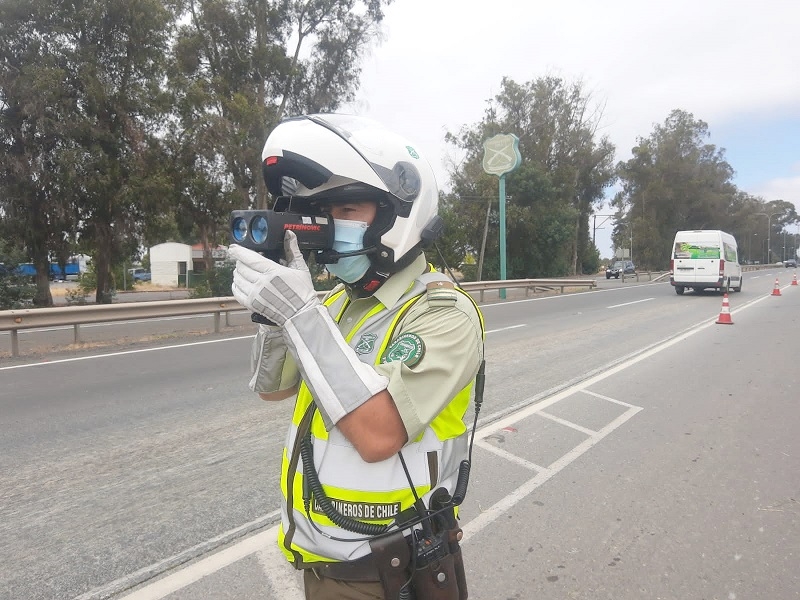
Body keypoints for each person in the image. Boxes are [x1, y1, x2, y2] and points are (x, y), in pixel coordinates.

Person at [229, 114, 485, 600]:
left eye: (347, 208)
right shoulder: (334, 306)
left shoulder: (444, 314)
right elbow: (272, 389)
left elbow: (377, 434)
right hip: (322, 561)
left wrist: (301, 315)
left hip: (391, 571)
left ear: (398, 214)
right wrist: (272, 314)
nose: (329, 225)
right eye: (323, 211)